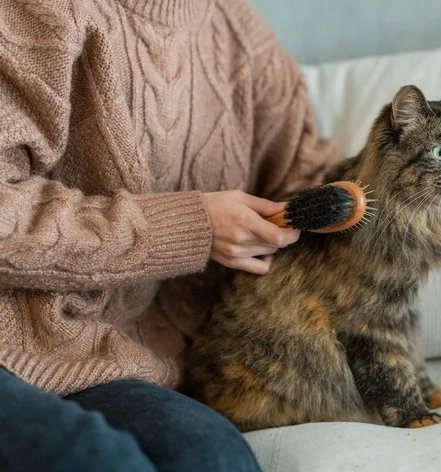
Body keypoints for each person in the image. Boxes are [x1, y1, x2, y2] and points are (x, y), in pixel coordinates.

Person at [0, 1, 339, 471]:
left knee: (216, 461)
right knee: (99, 461)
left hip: (125, 365)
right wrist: (191, 228)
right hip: (9, 344)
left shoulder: (239, 31)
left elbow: (307, 182)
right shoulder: (40, 13)